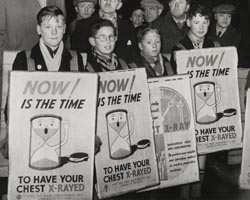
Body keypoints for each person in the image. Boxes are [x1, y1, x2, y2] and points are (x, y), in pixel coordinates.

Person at [170, 4, 220, 199]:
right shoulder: (179, 48)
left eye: (205, 22)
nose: (201, 26)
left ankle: (198, 187)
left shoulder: (215, 46)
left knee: (204, 144)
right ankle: (185, 188)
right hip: (187, 102)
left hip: (207, 101)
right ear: (188, 22)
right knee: (188, 146)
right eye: (197, 22)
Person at [70, 0, 139, 65]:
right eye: (105, 0)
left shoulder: (128, 27)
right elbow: (77, 57)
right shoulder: (83, 25)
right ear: (99, 1)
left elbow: (135, 56)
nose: (108, 3)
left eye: (112, 0)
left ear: (119, 5)